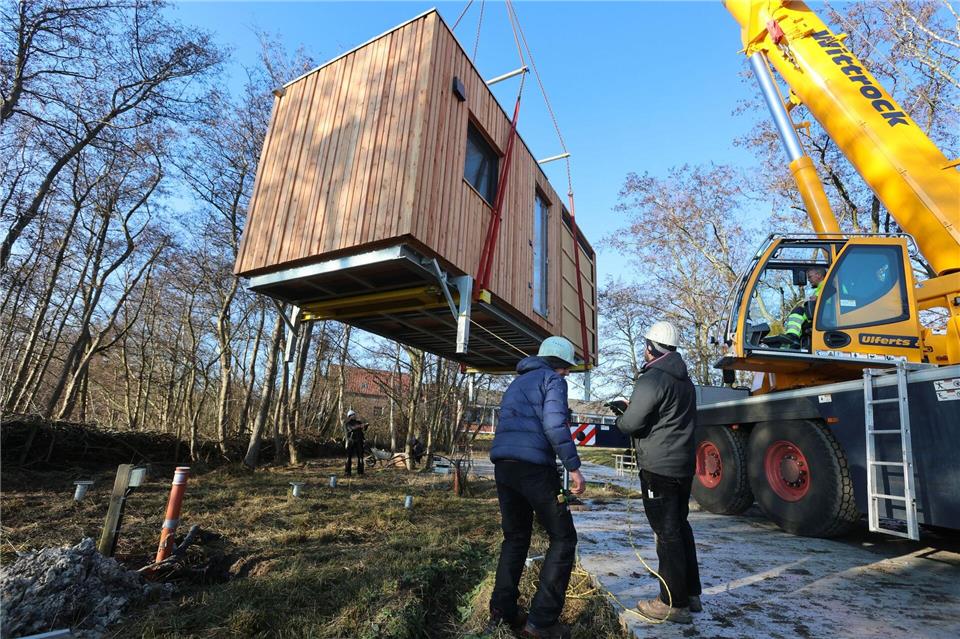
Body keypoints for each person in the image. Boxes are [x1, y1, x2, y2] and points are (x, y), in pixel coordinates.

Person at [487, 336, 586, 639]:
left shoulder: (516, 383)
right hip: (534, 469)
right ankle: (541, 623)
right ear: (557, 364)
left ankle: (502, 611)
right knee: (564, 537)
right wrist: (574, 467)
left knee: (515, 538)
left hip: (504, 468)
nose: (568, 373)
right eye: (567, 367)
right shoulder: (552, 381)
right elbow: (555, 425)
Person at [615, 320, 701, 625]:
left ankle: (672, 603)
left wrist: (621, 415)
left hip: (658, 469)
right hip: (683, 466)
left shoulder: (652, 379)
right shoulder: (685, 381)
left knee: (666, 534)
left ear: (650, 347)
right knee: (679, 526)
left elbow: (632, 424)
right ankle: (691, 594)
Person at [783, 266, 827, 348]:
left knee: (798, 311)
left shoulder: (827, 285)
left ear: (818, 275)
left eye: (810, 277)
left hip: (823, 317)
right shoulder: (826, 286)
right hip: (823, 316)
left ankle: (792, 336)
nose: (808, 280)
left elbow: (821, 299)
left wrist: (814, 300)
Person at [343, 410, 367, 476]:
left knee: (360, 457)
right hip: (351, 441)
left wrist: (365, 426)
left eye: (354, 414)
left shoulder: (359, 422)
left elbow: (364, 429)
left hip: (359, 441)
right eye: (353, 414)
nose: (355, 415)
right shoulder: (347, 423)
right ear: (350, 416)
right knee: (348, 457)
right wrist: (360, 426)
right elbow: (351, 428)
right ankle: (347, 472)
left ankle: (360, 473)